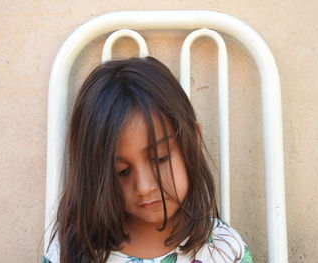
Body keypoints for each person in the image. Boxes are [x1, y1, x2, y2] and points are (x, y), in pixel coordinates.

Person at [41, 56, 253, 263]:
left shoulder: (223, 248)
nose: (144, 187)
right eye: (121, 171)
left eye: (160, 158)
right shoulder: (72, 251)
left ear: (193, 142)